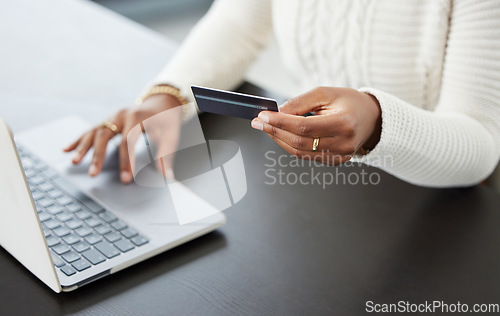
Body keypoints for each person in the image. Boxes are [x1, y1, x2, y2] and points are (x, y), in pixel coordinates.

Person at [64, 0, 500, 188]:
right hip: (315, 189)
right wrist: (166, 95)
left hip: (438, 200)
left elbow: (479, 141)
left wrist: (376, 122)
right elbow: (239, 23)